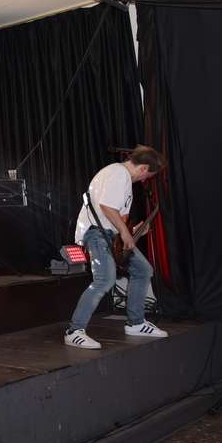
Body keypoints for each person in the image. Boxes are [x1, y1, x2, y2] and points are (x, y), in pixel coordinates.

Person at [64, 145, 167, 349]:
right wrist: (126, 233)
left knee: (143, 270)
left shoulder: (123, 179)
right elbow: (107, 207)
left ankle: (136, 323)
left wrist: (132, 230)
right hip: (96, 233)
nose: (144, 180)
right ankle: (74, 331)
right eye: (147, 176)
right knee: (105, 279)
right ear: (144, 168)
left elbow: (115, 217)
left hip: (109, 234)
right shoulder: (118, 173)